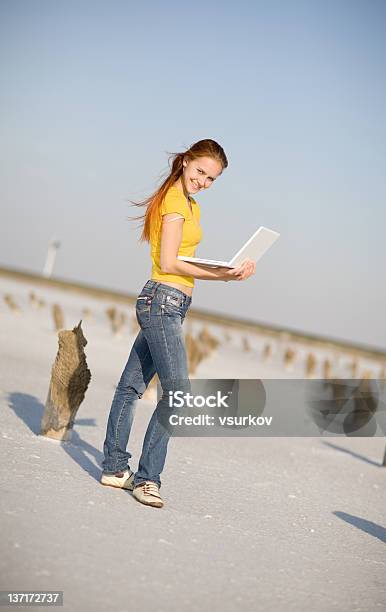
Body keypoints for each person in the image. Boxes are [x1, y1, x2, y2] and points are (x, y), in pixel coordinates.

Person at [100, 139, 256, 508]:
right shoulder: (173, 200)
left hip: (172, 303)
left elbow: (183, 260)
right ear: (185, 162)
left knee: (130, 388)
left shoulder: (191, 205)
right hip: (161, 300)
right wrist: (223, 277)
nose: (203, 181)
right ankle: (147, 479)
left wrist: (227, 271)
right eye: (200, 172)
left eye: (212, 178)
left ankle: (113, 468)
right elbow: (169, 262)